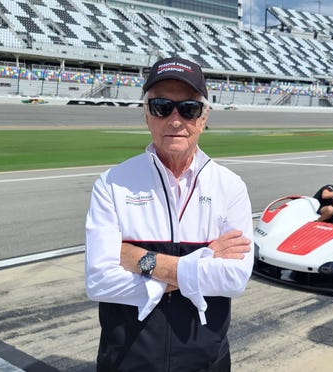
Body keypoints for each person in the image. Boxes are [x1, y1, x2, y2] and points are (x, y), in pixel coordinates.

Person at [85, 57, 254, 371]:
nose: (175, 120)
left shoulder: (230, 186)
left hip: (206, 361)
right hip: (126, 361)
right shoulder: (111, 183)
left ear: (203, 118)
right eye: (162, 106)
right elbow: (99, 282)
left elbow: (234, 279)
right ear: (147, 115)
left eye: (188, 108)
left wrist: (138, 259)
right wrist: (202, 261)